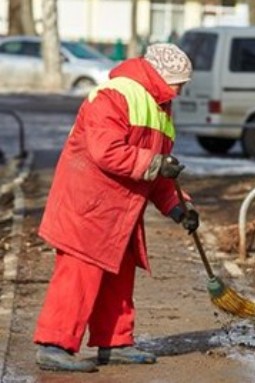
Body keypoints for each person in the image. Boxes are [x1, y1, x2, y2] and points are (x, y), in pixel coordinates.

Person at [33, 43, 199, 372]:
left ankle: (115, 342)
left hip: (120, 210)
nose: (181, 89)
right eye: (178, 82)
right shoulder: (113, 95)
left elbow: (158, 173)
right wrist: (155, 163)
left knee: (119, 276)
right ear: (161, 76)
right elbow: (104, 150)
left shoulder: (161, 107)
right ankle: (53, 345)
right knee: (78, 275)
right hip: (88, 204)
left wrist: (179, 207)